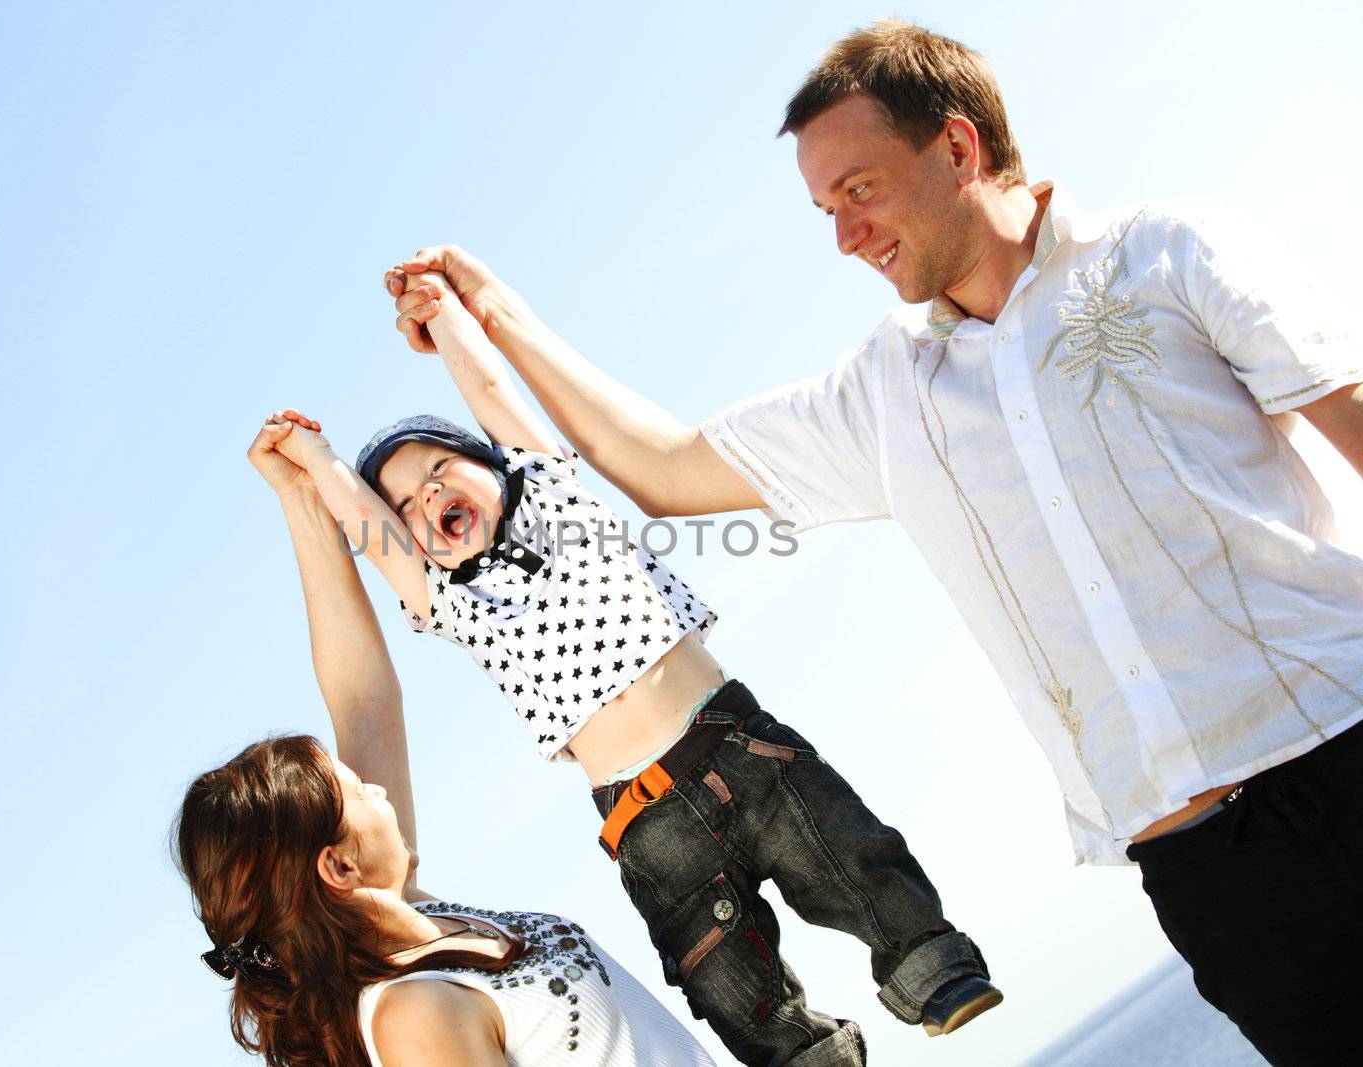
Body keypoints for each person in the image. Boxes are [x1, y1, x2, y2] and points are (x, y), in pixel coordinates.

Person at [382, 20, 1363, 1066]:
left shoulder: (1165, 250)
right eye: (823, 209)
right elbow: (662, 466)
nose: (844, 235)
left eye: (859, 189)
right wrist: (494, 315)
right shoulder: (885, 393)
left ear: (957, 147)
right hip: (1209, 873)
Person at [269, 270, 1000, 1067]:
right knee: (720, 970)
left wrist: (444, 317)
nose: (425, 496)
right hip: (643, 822)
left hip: (737, 745)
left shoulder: (554, 494)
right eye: (405, 505)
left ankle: (933, 967)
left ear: (496, 466)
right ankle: (807, 1060)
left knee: (851, 854)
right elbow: (367, 524)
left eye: (439, 468)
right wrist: (314, 456)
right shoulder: (450, 601)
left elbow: (488, 386)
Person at [172, 412, 719, 1067]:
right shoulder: (412, 1008)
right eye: (359, 789)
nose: (377, 783)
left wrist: (299, 496)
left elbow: (364, 698)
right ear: (340, 867)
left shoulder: (420, 927)